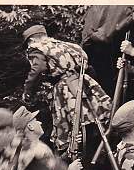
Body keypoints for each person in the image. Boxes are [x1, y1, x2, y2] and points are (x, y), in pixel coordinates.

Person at [21, 24, 112, 152]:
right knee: (95, 123)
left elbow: (38, 69)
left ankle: (79, 161)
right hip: (85, 84)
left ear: (31, 41)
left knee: (70, 130)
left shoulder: (36, 48)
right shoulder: (68, 46)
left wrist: (28, 92)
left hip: (65, 90)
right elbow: (87, 63)